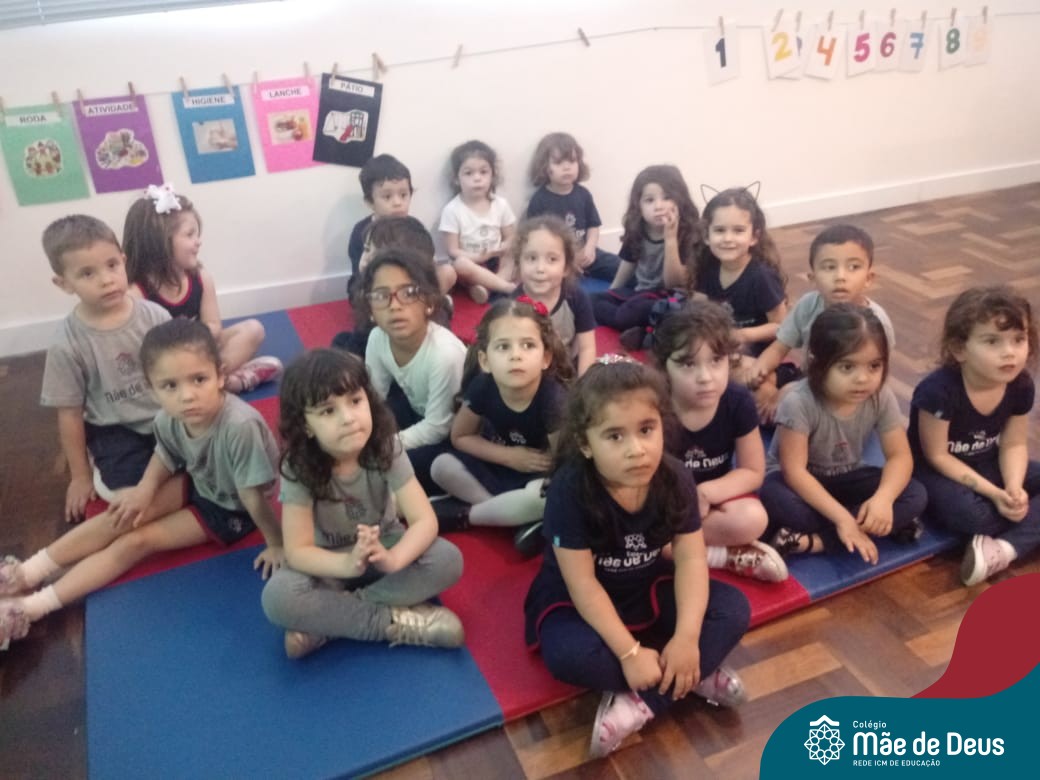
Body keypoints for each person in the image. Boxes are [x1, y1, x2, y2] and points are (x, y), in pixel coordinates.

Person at [1, 319, 283, 646]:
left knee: (134, 542)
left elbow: (252, 497)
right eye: (170, 386)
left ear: (220, 375)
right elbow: (166, 454)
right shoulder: (167, 418)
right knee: (119, 516)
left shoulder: (239, 428)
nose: (187, 396)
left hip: (233, 508)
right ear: (152, 388)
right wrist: (144, 491)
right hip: (201, 480)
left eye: (199, 379)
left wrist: (276, 543)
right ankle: (26, 572)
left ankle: (30, 608)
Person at [523, 356, 750, 758]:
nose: (637, 450)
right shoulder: (569, 490)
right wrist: (629, 653)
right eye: (614, 436)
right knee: (567, 656)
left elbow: (691, 560)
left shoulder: (675, 477)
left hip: (646, 583)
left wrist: (687, 638)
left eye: (647, 430)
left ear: (662, 424)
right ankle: (692, 678)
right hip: (579, 601)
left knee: (733, 609)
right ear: (585, 444)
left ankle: (643, 701)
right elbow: (583, 585)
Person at [260, 349, 464, 659]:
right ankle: (390, 622)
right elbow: (298, 551)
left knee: (447, 559)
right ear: (305, 426)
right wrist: (346, 564)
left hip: (384, 547)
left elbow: (424, 521)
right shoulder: (298, 467)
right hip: (329, 563)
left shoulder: (386, 447)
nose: (348, 418)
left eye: (355, 401)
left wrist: (392, 559)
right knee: (278, 596)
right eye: (328, 411)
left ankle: (328, 622)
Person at [759, 304, 927, 563]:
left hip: (847, 475)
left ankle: (811, 542)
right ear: (816, 362)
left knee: (915, 494)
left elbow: (900, 456)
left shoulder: (880, 396)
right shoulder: (798, 402)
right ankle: (867, 526)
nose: (863, 379)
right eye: (847, 367)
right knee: (778, 500)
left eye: (874, 366)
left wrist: (883, 500)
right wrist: (843, 519)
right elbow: (795, 473)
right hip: (798, 483)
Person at [38, 215, 171, 524]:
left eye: (112, 265)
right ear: (63, 283)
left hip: (166, 415)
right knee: (122, 494)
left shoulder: (155, 316)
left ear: (124, 261)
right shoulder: (66, 344)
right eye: (87, 273)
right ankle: (100, 463)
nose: (106, 280)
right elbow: (69, 414)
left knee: (216, 460)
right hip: (115, 427)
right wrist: (80, 476)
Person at [908, 285, 1040, 586]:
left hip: (988, 462)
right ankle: (1023, 530)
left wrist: (1014, 487)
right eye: (992, 341)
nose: (1009, 352)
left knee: (1009, 502)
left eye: (1018, 339)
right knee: (973, 517)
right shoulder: (938, 391)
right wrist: (995, 494)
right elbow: (937, 456)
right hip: (936, 471)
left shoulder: (1021, 384)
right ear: (959, 349)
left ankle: (1004, 549)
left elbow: (1014, 443)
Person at [651, 303, 787, 582]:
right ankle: (723, 557)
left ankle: (673, 552)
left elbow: (752, 471)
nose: (705, 377)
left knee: (753, 518)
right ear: (665, 367)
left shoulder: (737, 401)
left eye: (716, 361)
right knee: (630, 533)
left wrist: (706, 493)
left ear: (730, 360)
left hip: (710, 507)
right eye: (688, 364)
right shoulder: (653, 407)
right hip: (661, 505)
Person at [430, 298, 571, 544]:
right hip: (500, 464)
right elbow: (460, 436)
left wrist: (536, 469)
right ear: (485, 361)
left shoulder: (553, 399)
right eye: (503, 347)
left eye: (528, 345)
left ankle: (465, 515)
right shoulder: (483, 385)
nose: (516, 355)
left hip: (537, 475)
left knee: (545, 498)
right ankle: (511, 519)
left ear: (545, 358)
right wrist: (509, 457)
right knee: (440, 466)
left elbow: (566, 463)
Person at [124, 183, 281, 393]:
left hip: (201, 350)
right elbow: (140, 351)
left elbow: (214, 325)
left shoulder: (201, 278)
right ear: (160, 242)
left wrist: (195, 341)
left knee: (254, 330)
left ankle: (214, 381)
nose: (198, 242)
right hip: (166, 367)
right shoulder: (136, 295)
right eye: (189, 235)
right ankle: (230, 382)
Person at [751, 224, 895, 422]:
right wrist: (759, 370)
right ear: (812, 277)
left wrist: (789, 392)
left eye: (853, 267)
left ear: (869, 278)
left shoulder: (877, 321)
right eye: (829, 267)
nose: (840, 277)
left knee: (789, 399)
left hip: (849, 391)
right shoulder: (808, 304)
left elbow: (879, 375)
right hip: (808, 379)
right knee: (744, 372)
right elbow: (779, 347)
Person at [359, 248, 466, 493]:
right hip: (418, 412)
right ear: (370, 309)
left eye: (408, 293)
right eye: (381, 296)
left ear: (429, 302)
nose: (394, 306)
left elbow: (438, 427)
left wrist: (384, 446)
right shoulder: (377, 337)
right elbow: (375, 396)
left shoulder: (445, 354)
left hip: (453, 434)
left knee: (399, 466)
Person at [592, 165, 699, 337]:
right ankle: (646, 328)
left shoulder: (688, 233)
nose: (658, 206)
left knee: (634, 312)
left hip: (669, 298)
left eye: (667, 198)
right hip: (639, 293)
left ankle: (643, 329)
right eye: (649, 200)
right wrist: (611, 293)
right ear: (639, 206)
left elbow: (674, 283)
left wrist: (670, 239)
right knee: (591, 300)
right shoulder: (638, 228)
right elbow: (627, 264)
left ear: (680, 201)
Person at [334, 215, 452, 358]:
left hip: (403, 357)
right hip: (376, 342)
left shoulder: (422, 312)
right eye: (366, 249)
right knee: (341, 341)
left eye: (378, 255)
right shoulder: (370, 292)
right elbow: (361, 332)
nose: (366, 260)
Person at [346, 154, 456, 298]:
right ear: (370, 202)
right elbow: (360, 274)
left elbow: (430, 264)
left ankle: (426, 302)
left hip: (412, 284)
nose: (398, 203)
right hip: (378, 287)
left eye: (403, 195)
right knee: (360, 294)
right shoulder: (362, 231)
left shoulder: (414, 228)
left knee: (448, 272)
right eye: (387, 197)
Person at [525, 131, 619, 282]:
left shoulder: (583, 194)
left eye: (572, 161)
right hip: (556, 259)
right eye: (558, 163)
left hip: (585, 254)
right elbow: (537, 239)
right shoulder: (540, 200)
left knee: (620, 267)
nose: (567, 167)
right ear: (544, 167)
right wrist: (566, 260)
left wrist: (590, 248)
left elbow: (593, 226)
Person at [511, 215, 596, 375]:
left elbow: (587, 348)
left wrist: (583, 386)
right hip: (529, 372)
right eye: (531, 258)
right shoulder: (512, 305)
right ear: (519, 263)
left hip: (566, 370)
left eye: (552, 259)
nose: (540, 268)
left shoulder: (576, 297)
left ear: (566, 268)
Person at [439, 139, 517, 303]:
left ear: (492, 175)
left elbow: (511, 237)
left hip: (496, 259)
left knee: (516, 252)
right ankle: (505, 287)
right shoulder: (452, 210)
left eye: (483, 172)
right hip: (471, 262)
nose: (477, 178)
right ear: (456, 178)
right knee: (460, 264)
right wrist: (479, 257)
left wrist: (503, 247)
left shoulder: (500, 204)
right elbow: (453, 251)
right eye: (469, 173)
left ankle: (489, 287)